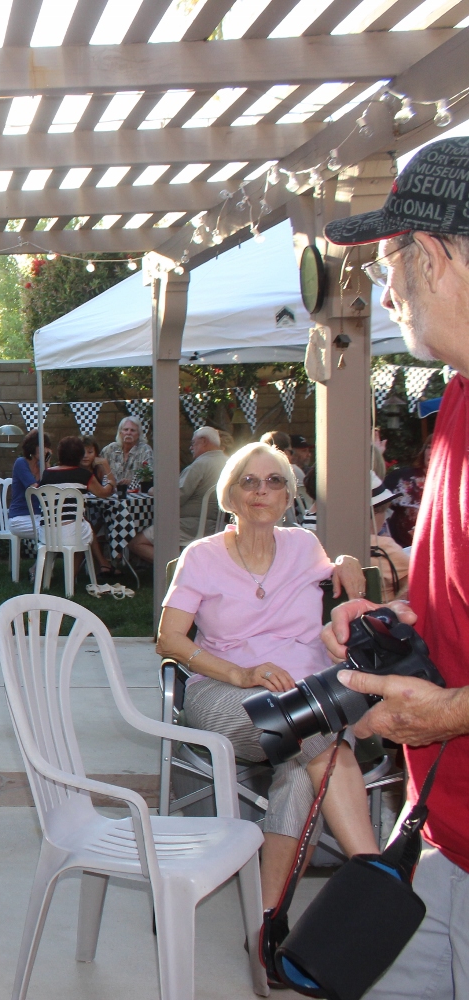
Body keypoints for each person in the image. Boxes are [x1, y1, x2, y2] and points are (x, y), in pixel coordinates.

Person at [321, 135, 469, 1000]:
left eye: (388, 265)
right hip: (442, 828)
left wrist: (447, 711)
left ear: (436, 256)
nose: (384, 292)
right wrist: (410, 611)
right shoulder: (456, 395)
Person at [156, 442, 371, 909]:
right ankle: (372, 867)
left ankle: (268, 926)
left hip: (310, 692)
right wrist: (241, 672)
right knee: (322, 733)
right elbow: (169, 639)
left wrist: (347, 562)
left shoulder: (303, 545)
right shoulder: (202, 556)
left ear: (289, 495)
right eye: (248, 481)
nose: (261, 491)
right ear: (229, 495)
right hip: (226, 691)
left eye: (274, 481)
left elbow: (329, 574)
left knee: (301, 770)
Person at [128, 426, 228, 563]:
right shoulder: (228, 463)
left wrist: (154, 491)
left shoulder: (199, 466)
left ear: (204, 441)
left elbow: (175, 498)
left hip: (190, 526)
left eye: (193, 443)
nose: (191, 448)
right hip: (217, 524)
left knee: (136, 542)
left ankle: (180, 568)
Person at [40, 435, 113, 573]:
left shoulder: (47, 474)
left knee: (82, 526)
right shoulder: (83, 475)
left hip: (46, 533)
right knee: (83, 533)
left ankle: (62, 578)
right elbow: (103, 493)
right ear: (79, 455)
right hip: (70, 533)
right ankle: (72, 578)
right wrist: (111, 482)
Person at [381, 432, 430, 546]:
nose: (431, 452)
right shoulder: (402, 477)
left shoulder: (452, 484)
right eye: (429, 447)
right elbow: (376, 503)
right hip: (398, 546)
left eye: (437, 447)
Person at [369, 473, 409, 602]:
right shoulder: (385, 548)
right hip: (380, 617)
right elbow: (415, 585)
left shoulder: (316, 540)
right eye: (384, 511)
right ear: (374, 513)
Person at [4, 431, 44, 542]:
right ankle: (43, 559)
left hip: (39, 516)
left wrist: (47, 464)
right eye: (41, 446)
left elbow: (50, 486)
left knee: (58, 530)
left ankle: (45, 559)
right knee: (50, 531)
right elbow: (35, 488)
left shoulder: (42, 466)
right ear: (32, 447)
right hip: (20, 517)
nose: (45, 450)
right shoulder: (21, 463)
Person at [261, 430, 313, 509]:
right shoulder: (291, 470)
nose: (309, 455)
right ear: (285, 452)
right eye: (291, 452)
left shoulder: (256, 472)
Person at [100, 416, 154, 489]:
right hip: (111, 493)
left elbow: (150, 476)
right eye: (126, 430)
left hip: (136, 495)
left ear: (138, 434)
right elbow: (98, 469)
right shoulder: (110, 449)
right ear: (120, 433)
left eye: (132, 430)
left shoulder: (145, 450)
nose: (128, 433)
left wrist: (131, 482)